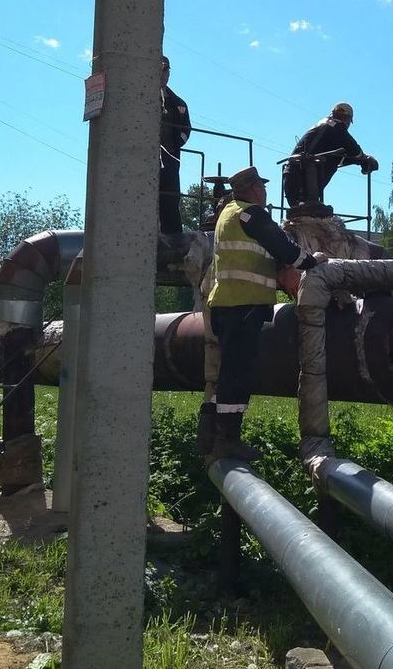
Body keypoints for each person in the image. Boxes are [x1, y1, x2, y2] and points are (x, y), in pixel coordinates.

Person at [201, 165, 326, 461]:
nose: (266, 192)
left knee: (227, 372)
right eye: (263, 187)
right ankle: (228, 440)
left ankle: (208, 435)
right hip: (244, 305)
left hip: (225, 304)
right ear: (255, 189)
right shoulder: (252, 214)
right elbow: (285, 249)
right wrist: (316, 265)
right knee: (240, 373)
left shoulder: (227, 214)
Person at [282, 102, 378, 209]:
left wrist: (358, 161)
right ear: (346, 119)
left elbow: (339, 157)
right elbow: (355, 151)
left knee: (303, 213)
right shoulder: (336, 127)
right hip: (304, 182)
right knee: (316, 213)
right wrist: (366, 160)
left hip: (291, 176)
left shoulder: (323, 127)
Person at [159, 55, 191, 234]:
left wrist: (175, 144)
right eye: (161, 69)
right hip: (144, 160)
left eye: (166, 70)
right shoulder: (141, 99)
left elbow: (186, 130)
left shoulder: (178, 103)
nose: (164, 74)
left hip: (170, 161)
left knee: (170, 200)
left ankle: (172, 241)